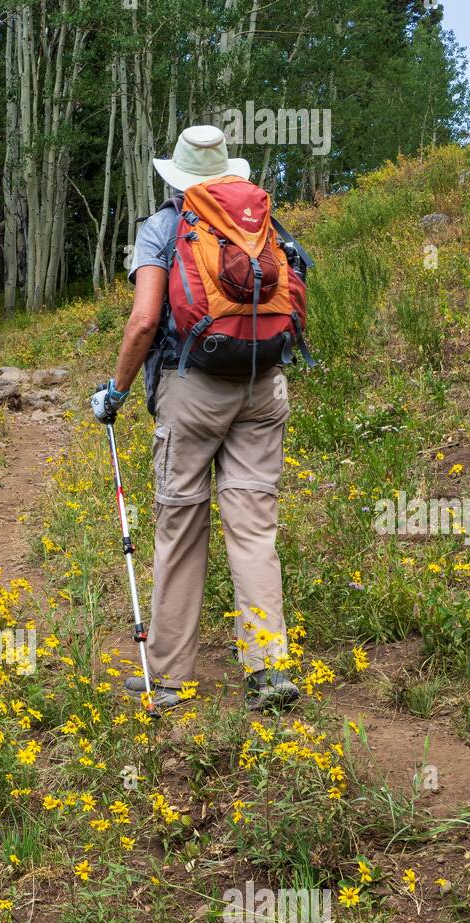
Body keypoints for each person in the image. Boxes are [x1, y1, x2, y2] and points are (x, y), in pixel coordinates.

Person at [91, 124, 304, 714]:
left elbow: (143, 320)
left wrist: (117, 390)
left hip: (194, 391)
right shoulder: (259, 223)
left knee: (181, 528)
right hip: (264, 386)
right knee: (255, 529)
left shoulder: (165, 225)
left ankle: (171, 677)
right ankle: (267, 670)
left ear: (179, 176)